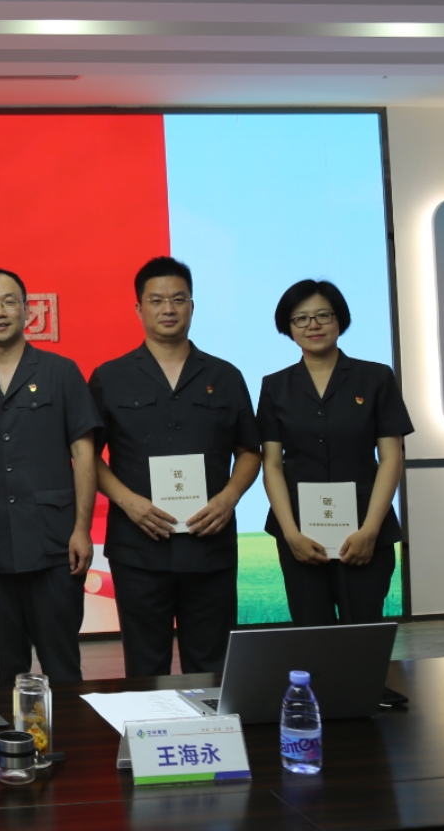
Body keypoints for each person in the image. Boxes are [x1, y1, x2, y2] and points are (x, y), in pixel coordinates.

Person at [88, 257, 261, 677]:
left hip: (209, 544)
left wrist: (229, 498)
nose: (168, 308)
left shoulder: (225, 376)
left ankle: (210, 723)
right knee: (146, 666)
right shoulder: (110, 377)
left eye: (179, 299)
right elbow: (87, 456)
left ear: (192, 306)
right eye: (157, 300)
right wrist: (128, 502)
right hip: (139, 546)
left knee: (212, 665)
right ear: (139, 309)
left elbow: (250, 451)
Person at [0, 268, 100, 687]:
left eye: (9, 301)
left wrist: (82, 529)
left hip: (54, 543)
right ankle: (10, 734)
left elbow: (84, 453)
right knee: (7, 666)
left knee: (62, 664)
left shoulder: (61, 372)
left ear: (27, 310)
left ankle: (69, 731)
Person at [258, 279, 411, 626]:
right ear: (288, 327)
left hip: (365, 530)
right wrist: (291, 534)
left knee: (363, 634)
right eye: (301, 318)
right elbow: (273, 465)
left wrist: (370, 530)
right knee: (312, 635)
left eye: (323, 315)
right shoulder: (275, 386)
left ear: (340, 319)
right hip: (301, 533)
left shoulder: (375, 378)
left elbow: (391, 458)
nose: (313, 325)